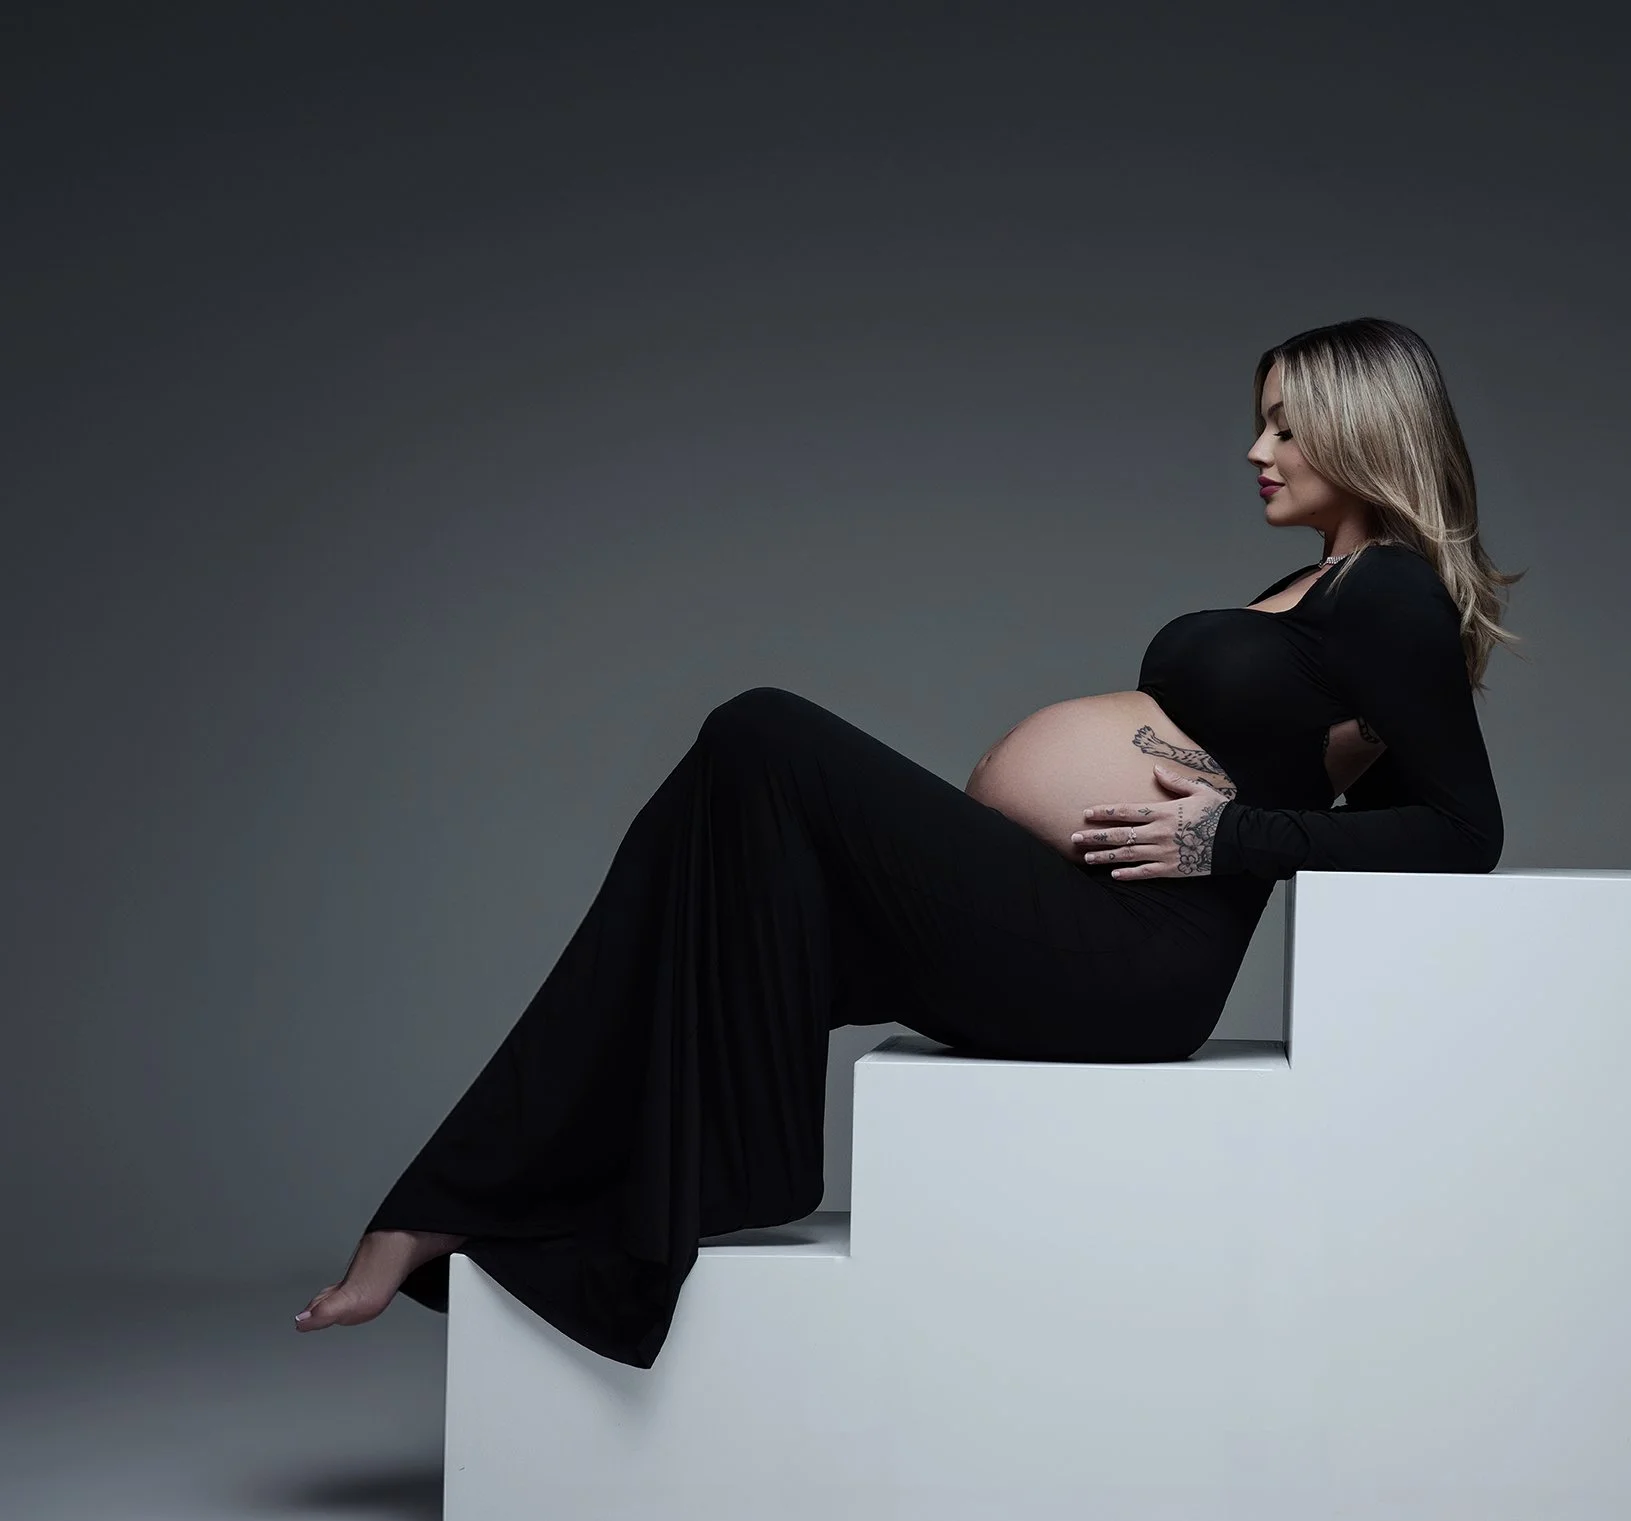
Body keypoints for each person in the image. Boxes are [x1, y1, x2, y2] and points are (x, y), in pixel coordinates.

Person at [292, 317, 1522, 1369]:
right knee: (718, 881)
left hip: (1131, 963)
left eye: (1287, 429)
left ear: (1364, 431)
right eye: (1258, 423)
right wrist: (1232, 793)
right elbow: (1283, 756)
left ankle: (468, 1202)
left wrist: (1229, 837)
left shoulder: (1393, 593)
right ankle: (485, 1198)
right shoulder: (1318, 587)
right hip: (1076, 920)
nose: (1256, 452)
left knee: (761, 735)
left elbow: (1461, 831)